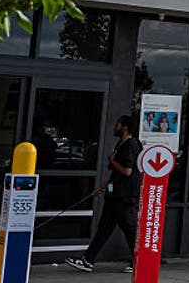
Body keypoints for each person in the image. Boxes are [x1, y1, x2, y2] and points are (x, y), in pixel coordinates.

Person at [65, 115, 143, 273]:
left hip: (125, 197)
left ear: (125, 127)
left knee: (130, 229)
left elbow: (127, 171)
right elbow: (118, 174)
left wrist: (113, 161)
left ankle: (140, 261)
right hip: (115, 195)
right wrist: (106, 185)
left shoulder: (131, 144)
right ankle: (88, 260)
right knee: (104, 229)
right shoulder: (121, 143)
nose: (115, 127)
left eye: (117, 124)